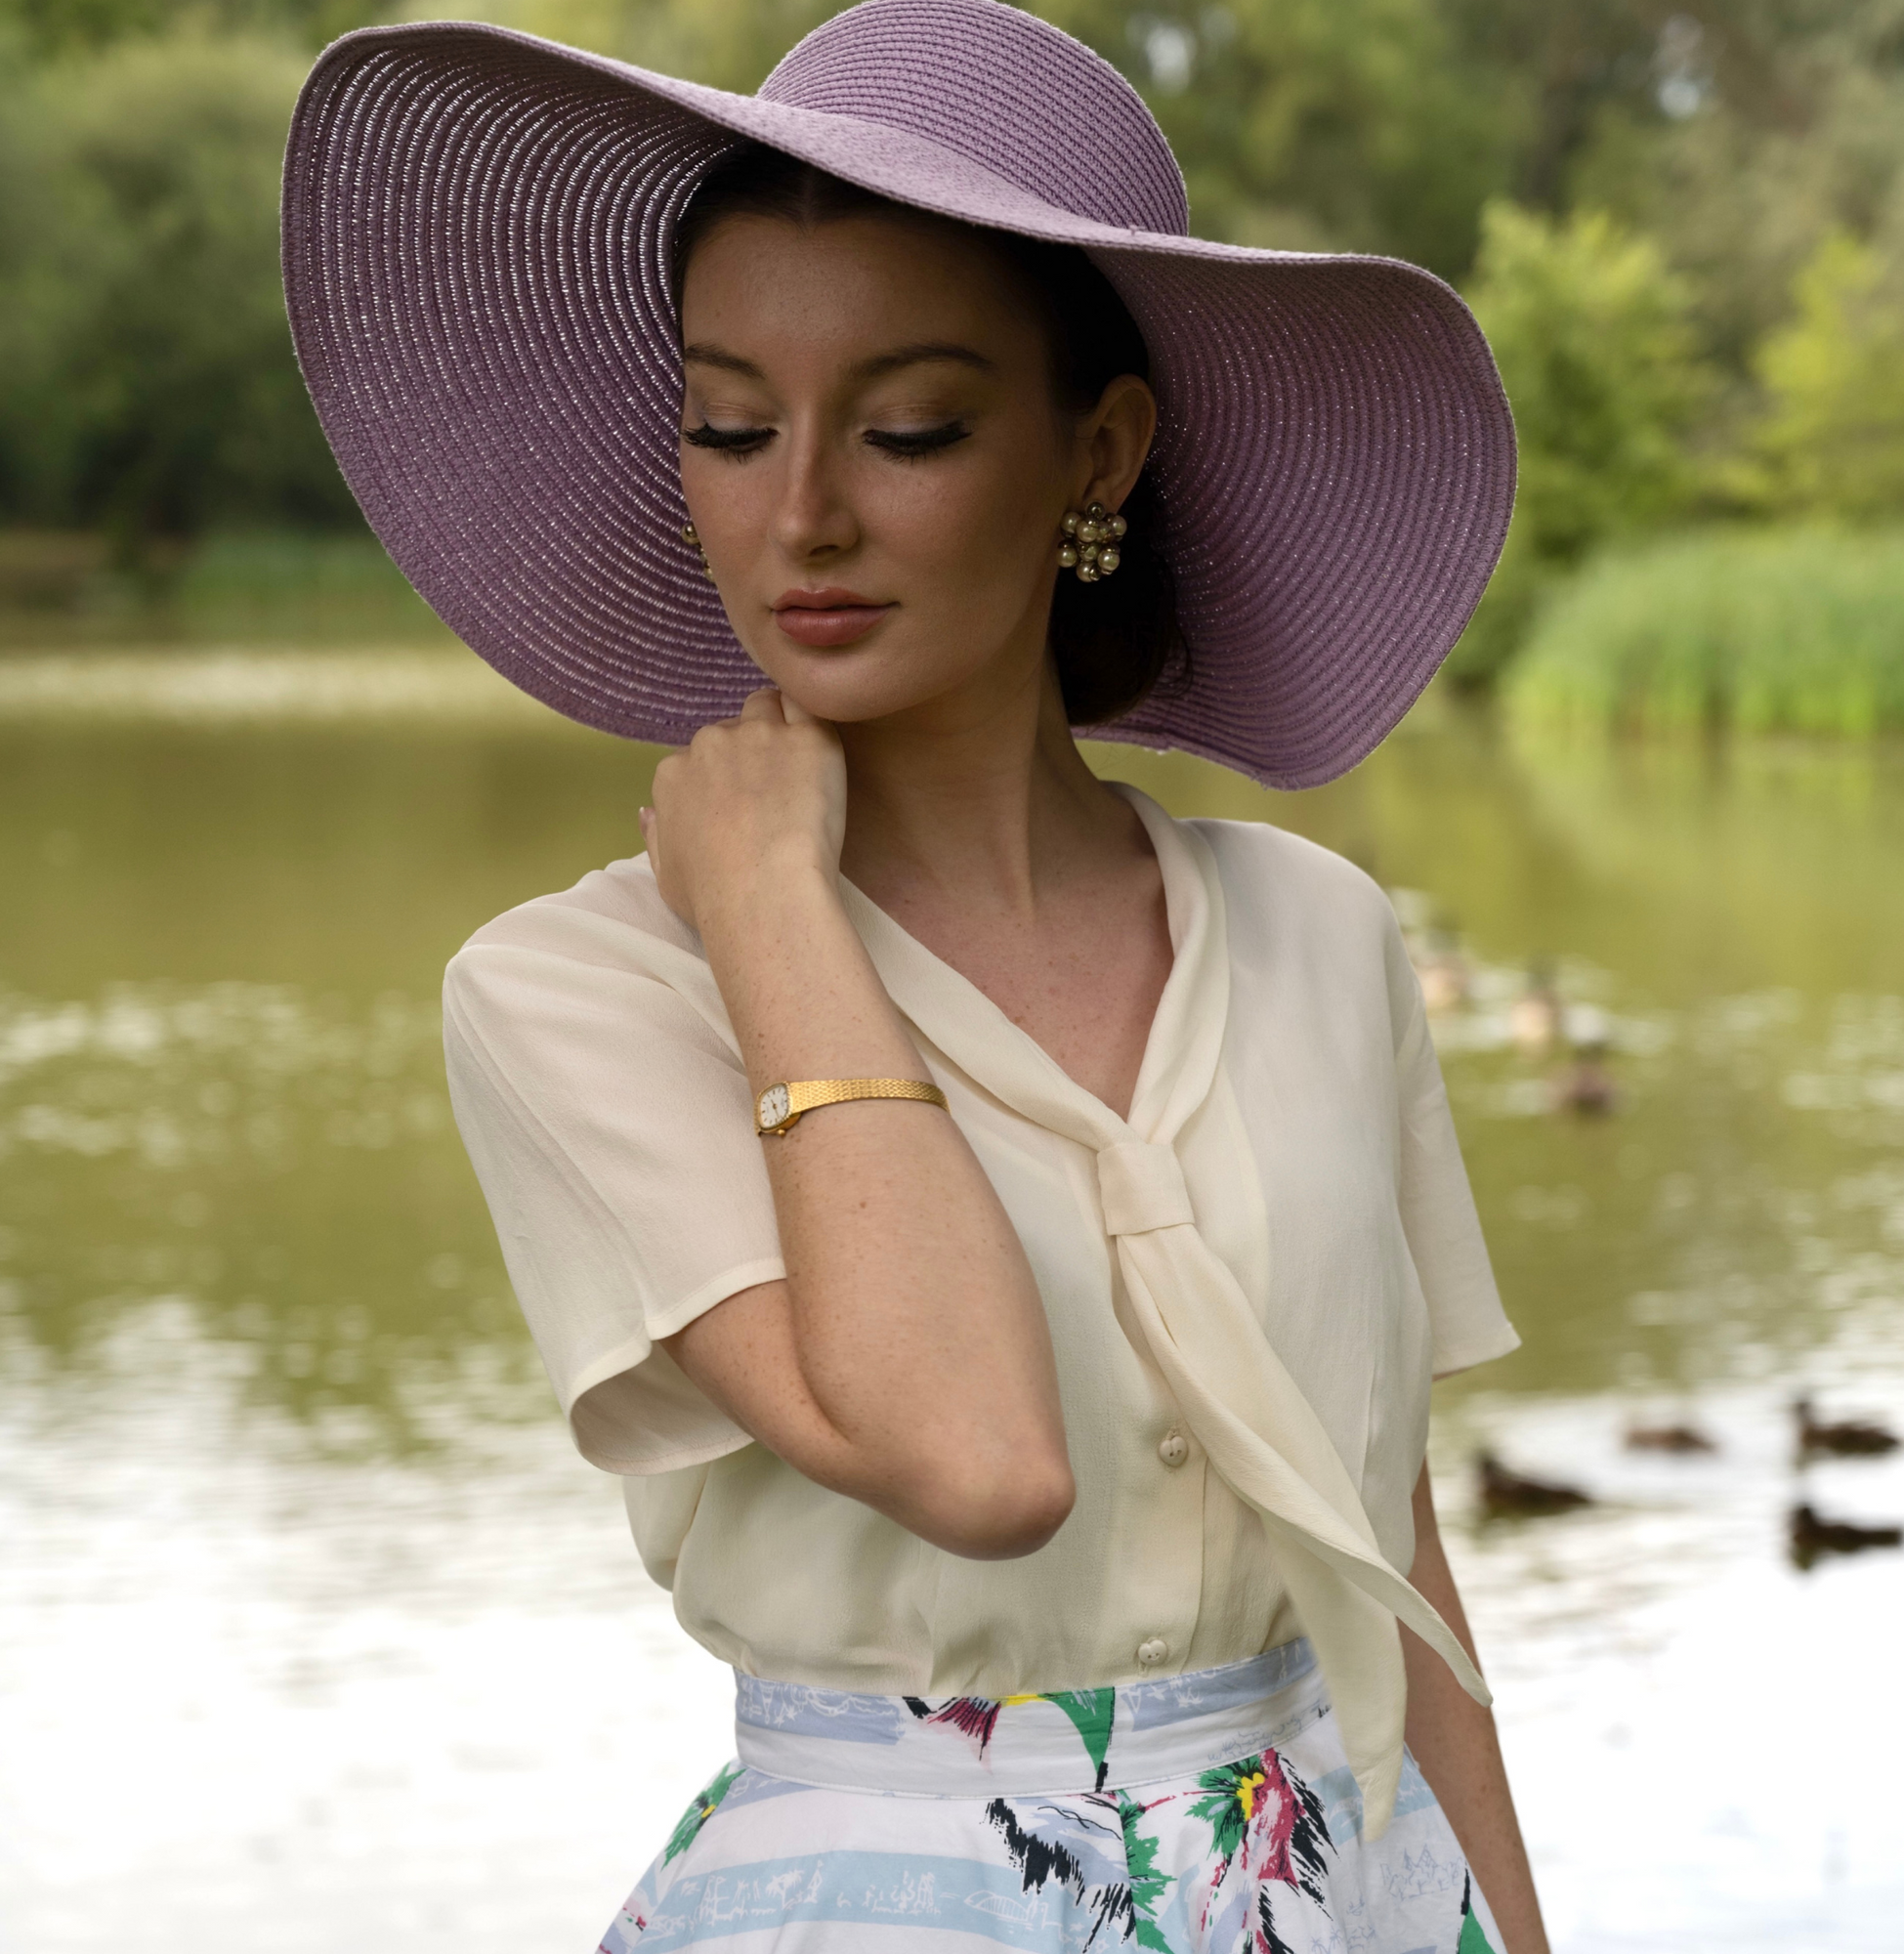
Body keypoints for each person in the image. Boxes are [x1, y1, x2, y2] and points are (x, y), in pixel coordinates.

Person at [282, 2, 1544, 1947]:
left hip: (1356, 1887)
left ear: (1094, 450)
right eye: (727, 421)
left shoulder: (1319, 939)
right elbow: (973, 1453)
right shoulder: (582, 993)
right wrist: (775, 914)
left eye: (910, 427)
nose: (799, 515)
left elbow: (1396, 1555)